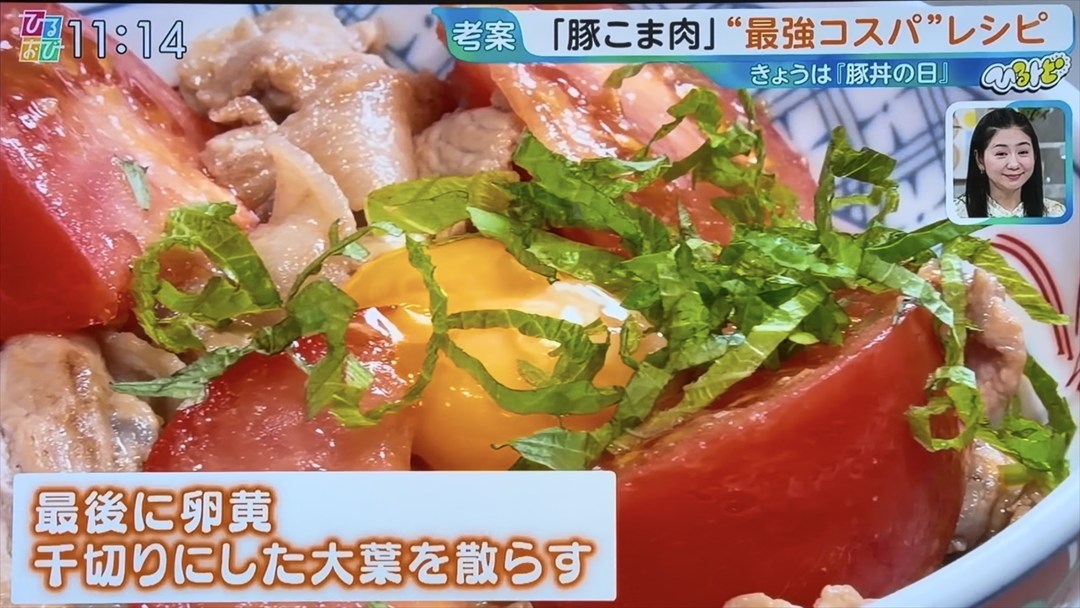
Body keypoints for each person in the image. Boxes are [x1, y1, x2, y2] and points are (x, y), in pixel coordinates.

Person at [953, 107, 1066, 218]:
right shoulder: (956, 214)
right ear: (980, 159)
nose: (1014, 164)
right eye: (1001, 153)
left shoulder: (1055, 214)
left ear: (1035, 155)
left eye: (1023, 152)